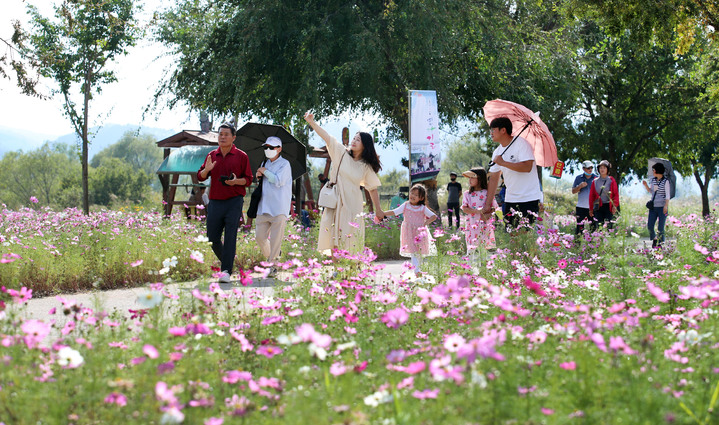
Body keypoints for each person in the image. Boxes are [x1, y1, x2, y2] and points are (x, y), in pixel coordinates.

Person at [304, 111, 385, 254]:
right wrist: (312, 123)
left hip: (353, 204)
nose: (353, 141)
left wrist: (378, 210)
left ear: (365, 145)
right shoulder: (340, 152)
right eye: (354, 138)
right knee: (333, 236)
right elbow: (327, 138)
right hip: (335, 201)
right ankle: (337, 270)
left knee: (350, 236)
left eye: (358, 140)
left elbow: (372, 188)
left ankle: (350, 268)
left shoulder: (365, 166)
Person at [197, 123, 252, 283]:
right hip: (215, 201)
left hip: (234, 202)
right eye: (220, 134)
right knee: (211, 237)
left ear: (233, 138)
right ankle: (231, 265)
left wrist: (235, 182)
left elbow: (248, 180)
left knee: (230, 236)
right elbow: (200, 177)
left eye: (226, 134)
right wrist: (207, 170)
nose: (222, 137)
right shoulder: (212, 155)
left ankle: (226, 271)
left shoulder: (242, 156)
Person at [482, 117, 543, 231]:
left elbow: (527, 167)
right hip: (510, 199)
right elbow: (494, 179)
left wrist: (503, 163)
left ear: (503, 130)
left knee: (525, 235)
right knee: (511, 234)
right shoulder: (497, 152)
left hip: (528, 198)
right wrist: (487, 204)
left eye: (493, 130)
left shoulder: (521, 143)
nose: (491, 133)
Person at [254, 136, 293, 267]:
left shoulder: (285, 164)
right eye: (266, 147)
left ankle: (273, 264)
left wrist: (265, 172)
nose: (268, 150)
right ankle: (272, 255)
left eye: (271, 147)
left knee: (276, 239)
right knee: (259, 237)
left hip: (279, 207)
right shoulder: (264, 163)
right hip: (263, 206)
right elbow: (263, 182)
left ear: (279, 149)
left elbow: (278, 181)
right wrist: (259, 175)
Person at [384, 183, 437, 272]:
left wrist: (425, 223)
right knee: (414, 252)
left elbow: (433, 216)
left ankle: (418, 270)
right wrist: (383, 213)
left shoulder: (422, 208)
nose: (412, 196)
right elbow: (394, 212)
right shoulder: (406, 205)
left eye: (416, 195)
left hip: (420, 233)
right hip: (408, 232)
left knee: (419, 253)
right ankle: (417, 271)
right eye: (412, 193)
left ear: (421, 198)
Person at [461, 167, 498, 268]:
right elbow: (464, 208)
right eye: (469, 178)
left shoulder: (488, 193)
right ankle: (469, 268)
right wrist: (477, 211)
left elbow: (494, 207)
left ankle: (483, 268)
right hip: (471, 224)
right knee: (471, 246)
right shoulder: (467, 194)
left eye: (472, 178)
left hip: (484, 224)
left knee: (483, 246)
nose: (470, 180)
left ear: (480, 178)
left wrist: (489, 214)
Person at [643, 162, 671, 248]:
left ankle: (660, 243)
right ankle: (655, 238)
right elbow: (652, 191)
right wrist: (646, 186)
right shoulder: (654, 180)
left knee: (661, 228)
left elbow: (667, 195)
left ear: (657, 171)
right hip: (653, 206)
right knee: (650, 226)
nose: (653, 172)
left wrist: (666, 206)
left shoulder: (666, 181)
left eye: (653, 170)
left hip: (662, 207)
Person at [588, 160, 620, 231]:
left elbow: (615, 194)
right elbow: (591, 196)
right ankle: (600, 240)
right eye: (601, 168)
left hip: (609, 206)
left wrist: (614, 206)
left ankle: (609, 240)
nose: (602, 169)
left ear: (607, 169)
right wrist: (591, 209)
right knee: (599, 225)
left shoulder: (611, 180)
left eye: (604, 168)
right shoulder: (595, 181)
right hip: (599, 206)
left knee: (609, 226)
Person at [572, 160, 596, 235]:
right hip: (580, 207)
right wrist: (580, 186)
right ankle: (577, 244)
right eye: (588, 168)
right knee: (579, 228)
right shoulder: (578, 178)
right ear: (583, 169)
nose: (590, 170)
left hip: (592, 208)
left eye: (591, 167)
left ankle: (592, 245)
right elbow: (573, 191)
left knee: (593, 228)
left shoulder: (596, 178)